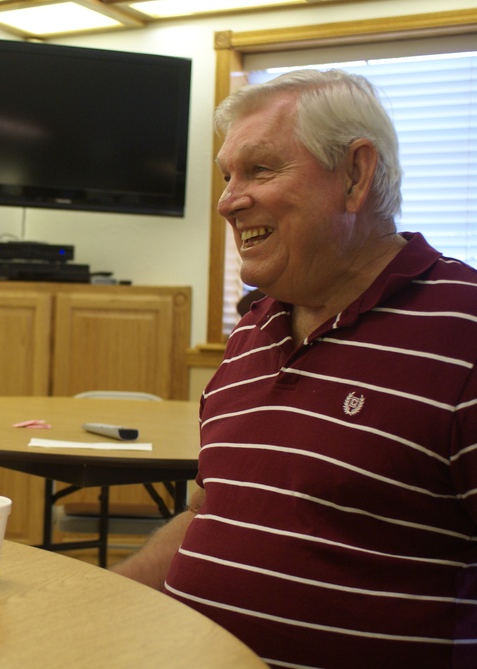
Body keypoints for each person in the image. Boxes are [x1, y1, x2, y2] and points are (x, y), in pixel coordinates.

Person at [112, 69, 477, 668]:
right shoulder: (251, 335)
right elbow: (212, 513)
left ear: (357, 175)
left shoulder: (463, 331)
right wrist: (97, 602)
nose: (228, 201)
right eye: (227, 176)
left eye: (259, 169)